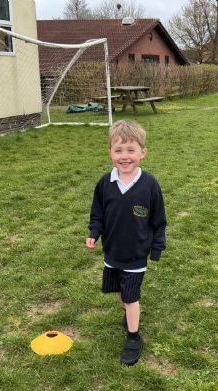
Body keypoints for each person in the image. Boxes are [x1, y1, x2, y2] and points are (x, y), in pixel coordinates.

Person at [86, 120, 167, 366]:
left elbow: (159, 219)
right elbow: (97, 213)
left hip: (136, 254)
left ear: (143, 152)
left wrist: (156, 247)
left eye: (131, 150)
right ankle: (129, 313)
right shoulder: (105, 183)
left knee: (131, 297)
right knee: (120, 292)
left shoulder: (150, 185)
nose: (124, 156)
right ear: (110, 152)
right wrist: (94, 232)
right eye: (118, 150)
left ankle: (133, 337)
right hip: (112, 252)